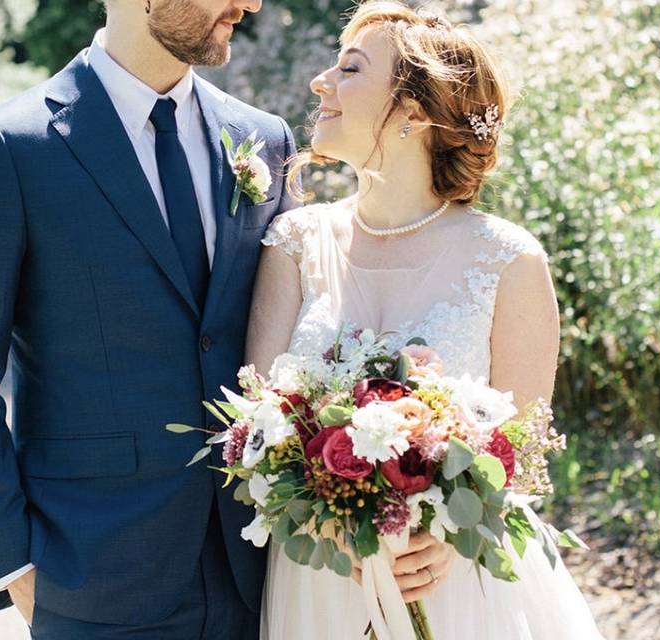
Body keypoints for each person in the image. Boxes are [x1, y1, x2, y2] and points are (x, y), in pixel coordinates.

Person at [0, 0, 297, 637]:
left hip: (260, 570)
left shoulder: (264, 138)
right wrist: (10, 562)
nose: (251, 3)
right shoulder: (5, 148)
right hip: (93, 576)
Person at [245, 2, 605, 638]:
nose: (319, 82)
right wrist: (328, 520)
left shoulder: (507, 259)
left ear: (414, 109)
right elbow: (258, 427)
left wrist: (450, 534)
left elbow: (519, 455)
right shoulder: (293, 242)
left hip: (458, 580)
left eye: (349, 69)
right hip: (322, 581)